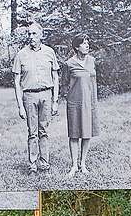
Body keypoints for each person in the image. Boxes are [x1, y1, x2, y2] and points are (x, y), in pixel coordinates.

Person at [12, 22, 60, 173]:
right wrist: (20, 106)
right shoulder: (21, 55)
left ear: (41, 35)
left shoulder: (49, 52)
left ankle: (44, 164)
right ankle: (32, 165)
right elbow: (16, 82)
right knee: (32, 132)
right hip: (29, 96)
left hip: (46, 94)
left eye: (34, 34)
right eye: (29, 34)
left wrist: (55, 101)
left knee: (43, 130)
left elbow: (55, 77)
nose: (31, 37)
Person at [63, 35, 100, 175]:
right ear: (76, 47)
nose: (87, 45)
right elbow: (64, 84)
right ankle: (74, 165)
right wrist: (70, 97)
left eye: (87, 42)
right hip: (74, 103)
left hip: (89, 103)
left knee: (87, 134)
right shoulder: (69, 63)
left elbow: (93, 81)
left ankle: (83, 164)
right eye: (83, 43)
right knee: (74, 134)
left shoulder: (92, 61)